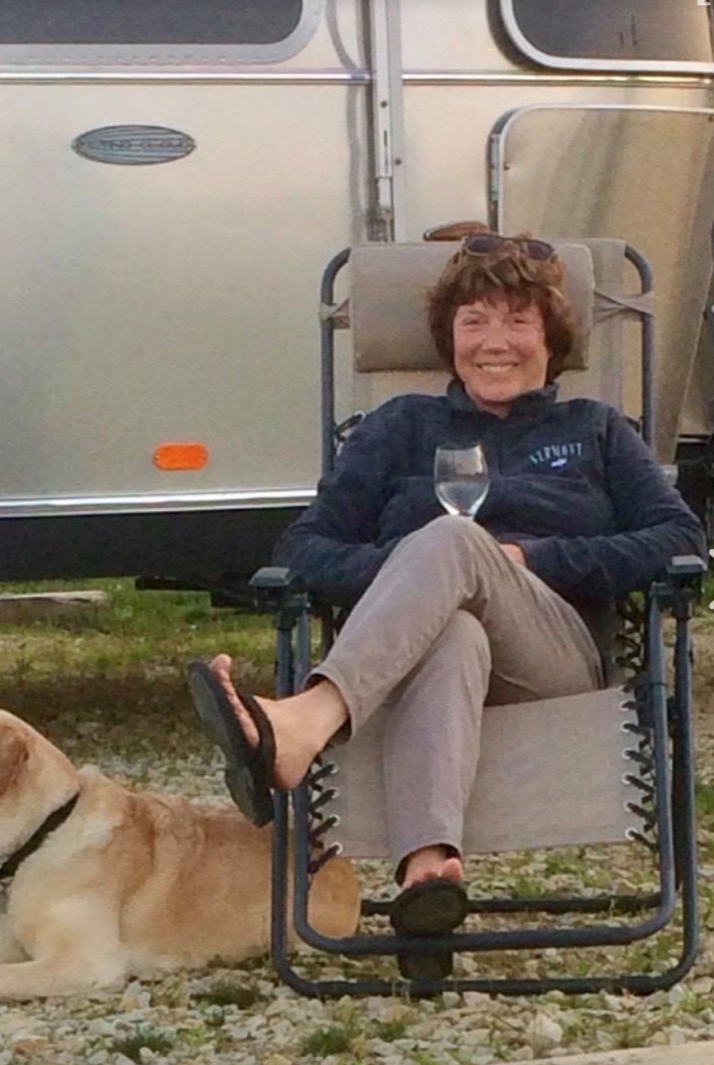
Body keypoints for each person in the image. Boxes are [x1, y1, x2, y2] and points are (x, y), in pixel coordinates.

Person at [187, 233, 705, 977]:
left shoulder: (595, 429)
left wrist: (530, 560)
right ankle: (430, 878)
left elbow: (679, 538)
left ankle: (305, 719)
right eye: (474, 322)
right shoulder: (400, 426)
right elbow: (302, 550)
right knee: (454, 617)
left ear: (551, 337)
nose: (495, 342)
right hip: (417, 661)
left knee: (456, 540)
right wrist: (415, 579)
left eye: (518, 321)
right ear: (448, 338)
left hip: (551, 660)